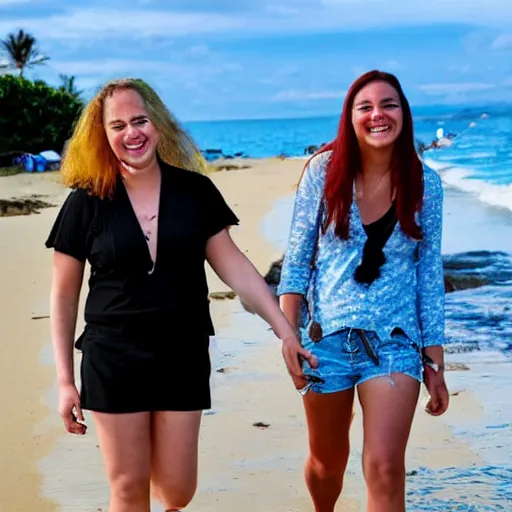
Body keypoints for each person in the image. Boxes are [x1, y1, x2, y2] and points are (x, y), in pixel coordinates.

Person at [45, 77, 316, 512]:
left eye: (140, 120)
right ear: (102, 135)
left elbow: (238, 270)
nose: (132, 133)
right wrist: (64, 380)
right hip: (113, 355)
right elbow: (63, 298)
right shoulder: (87, 201)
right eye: (118, 126)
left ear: (158, 125)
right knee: (129, 488)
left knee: (177, 491)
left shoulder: (195, 192)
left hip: (182, 354)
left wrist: (285, 330)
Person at [277, 70, 450, 512]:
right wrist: (288, 336)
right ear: (350, 117)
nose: (378, 115)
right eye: (366, 107)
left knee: (385, 466)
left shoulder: (426, 184)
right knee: (326, 464)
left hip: (396, 343)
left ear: (404, 114)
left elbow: (429, 276)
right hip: (325, 340)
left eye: (389, 105)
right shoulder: (323, 171)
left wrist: (434, 360)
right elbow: (297, 262)